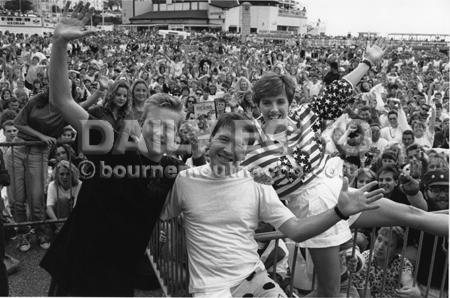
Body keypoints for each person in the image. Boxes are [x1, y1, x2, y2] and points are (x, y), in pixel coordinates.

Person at [241, 58, 449, 296]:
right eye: (267, 102)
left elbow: (337, 92)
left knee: (413, 214)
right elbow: (226, 174)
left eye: (280, 101)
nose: (275, 108)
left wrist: (367, 62)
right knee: (329, 293)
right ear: (258, 104)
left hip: (340, 191)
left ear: (290, 102)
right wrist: (258, 182)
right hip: (315, 210)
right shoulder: (249, 143)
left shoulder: (302, 116)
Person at [40, 4, 205, 295]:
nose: (160, 132)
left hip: (120, 276)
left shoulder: (174, 172)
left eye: (169, 127)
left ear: (177, 133)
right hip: (77, 264)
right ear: (142, 121)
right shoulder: (112, 142)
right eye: (154, 124)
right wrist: (59, 43)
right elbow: (62, 99)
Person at [161, 112, 385, 297]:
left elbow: (296, 230)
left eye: (239, 145)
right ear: (210, 139)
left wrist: (339, 212)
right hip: (209, 289)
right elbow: (162, 216)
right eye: (224, 139)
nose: (229, 150)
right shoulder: (185, 180)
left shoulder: (256, 183)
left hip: (255, 279)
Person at [352, 226, 415, 298]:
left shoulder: (402, 262)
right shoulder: (364, 260)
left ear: (397, 250)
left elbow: (408, 281)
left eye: (387, 244)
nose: (380, 246)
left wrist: (410, 289)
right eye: (379, 239)